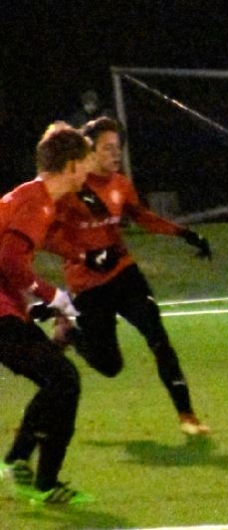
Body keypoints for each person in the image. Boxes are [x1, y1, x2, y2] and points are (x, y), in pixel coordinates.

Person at [44, 116, 213, 435]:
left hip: (123, 274)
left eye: (118, 147)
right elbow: (46, 236)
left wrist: (185, 234)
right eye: (108, 148)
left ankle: (187, 415)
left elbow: (142, 217)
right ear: (89, 151)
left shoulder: (120, 184)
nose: (115, 153)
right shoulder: (70, 188)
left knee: (158, 338)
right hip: (88, 285)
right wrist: (84, 256)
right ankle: (70, 332)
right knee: (110, 367)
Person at [1, 122, 94, 505]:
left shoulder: (34, 199)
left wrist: (47, 307)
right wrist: (54, 297)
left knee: (59, 379)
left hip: (7, 309)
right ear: (71, 165)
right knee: (63, 379)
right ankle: (31, 472)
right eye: (86, 163)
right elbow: (9, 260)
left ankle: (28, 469)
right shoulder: (37, 202)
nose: (88, 171)